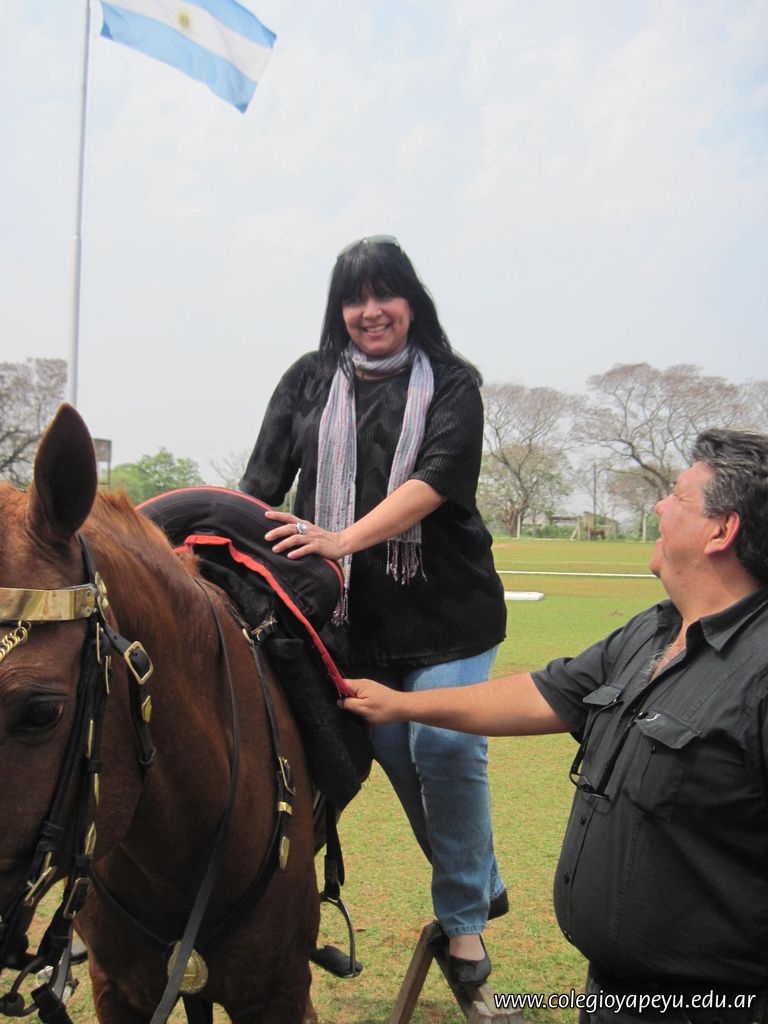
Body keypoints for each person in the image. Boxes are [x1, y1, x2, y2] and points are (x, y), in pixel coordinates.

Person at [342, 428, 768, 1024]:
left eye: (676, 497)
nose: (658, 507)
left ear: (722, 532)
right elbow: (544, 693)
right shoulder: (654, 632)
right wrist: (401, 706)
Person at [239, 235, 508, 985]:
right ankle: (480, 879)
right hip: (350, 625)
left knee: (445, 747)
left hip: (449, 615)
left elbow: (436, 480)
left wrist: (341, 540)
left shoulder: (452, 382)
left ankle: (464, 923)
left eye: (384, 293)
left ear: (412, 301)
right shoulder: (308, 380)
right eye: (353, 299)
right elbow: (259, 486)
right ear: (339, 311)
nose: (370, 311)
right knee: (392, 751)